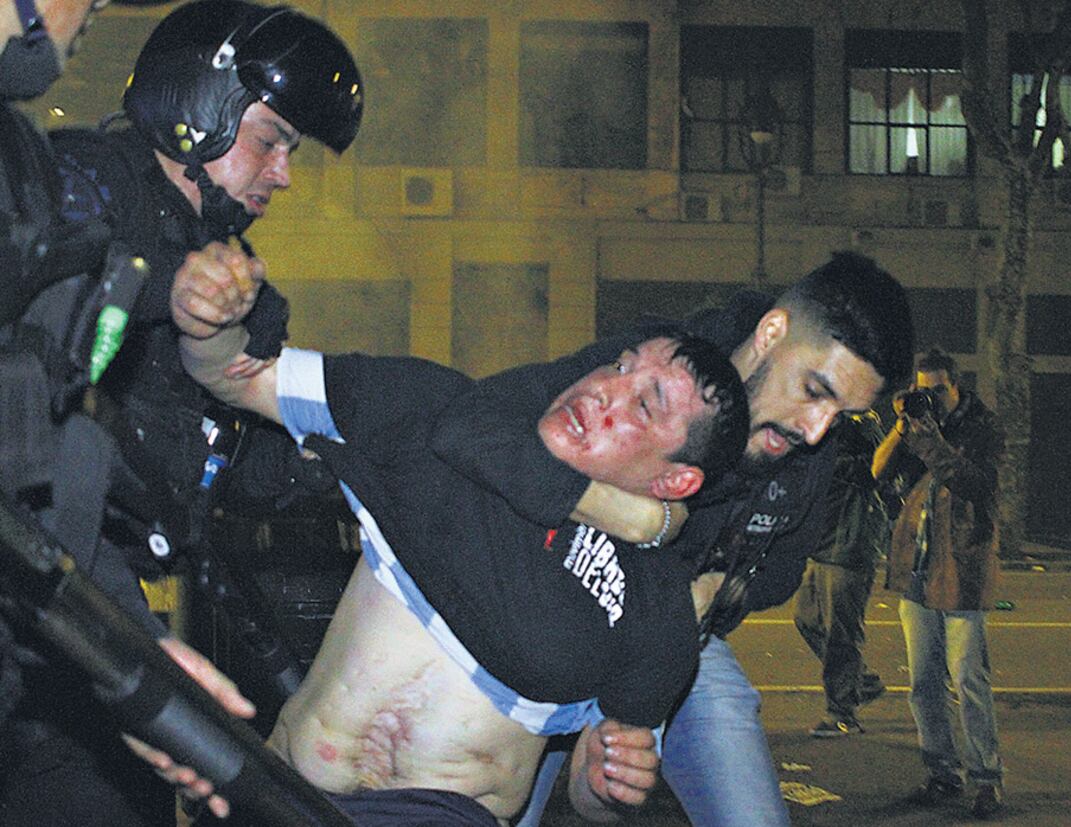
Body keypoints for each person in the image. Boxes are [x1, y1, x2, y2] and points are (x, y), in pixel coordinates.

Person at [170, 242, 751, 825]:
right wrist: (207, 322)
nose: (603, 388)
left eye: (644, 405)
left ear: (676, 479)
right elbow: (239, 376)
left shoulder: (657, 609)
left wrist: (606, 779)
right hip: (284, 795)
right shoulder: (436, 414)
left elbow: (590, 794)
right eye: (620, 366)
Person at [1, 1, 362, 823]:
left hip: (102, 614)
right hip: (43, 611)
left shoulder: (247, 286)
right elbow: (40, 354)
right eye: (269, 138)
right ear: (198, 107)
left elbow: (235, 465)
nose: (283, 173)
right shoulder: (75, 182)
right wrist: (168, 293)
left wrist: (352, 464)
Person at [427, 251, 915, 827]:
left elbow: (782, 571)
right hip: (555, 616)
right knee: (497, 813)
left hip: (680, 650)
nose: (816, 429)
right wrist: (634, 517)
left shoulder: (807, 452)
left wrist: (718, 591)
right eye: (814, 390)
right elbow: (470, 426)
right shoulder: (656, 364)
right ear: (772, 332)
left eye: (843, 412)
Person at [872, 346, 1004, 819]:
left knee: (968, 676)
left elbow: (973, 483)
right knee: (924, 681)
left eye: (936, 391)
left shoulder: (983, 427)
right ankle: (941, 772)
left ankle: (986, 779)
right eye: (921, 391)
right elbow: (879, 471)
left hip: (963, 568)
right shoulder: (919, 423)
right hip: (917, 568)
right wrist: (902, 425)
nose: (929, 398)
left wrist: (929, 439)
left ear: (955, 386)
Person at [793, 409, 890, 738]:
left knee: (841, 635)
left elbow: (877, 471)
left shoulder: (860, 426)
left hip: (848, 544)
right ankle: (859, 682)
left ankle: (842, 712)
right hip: (823, 542)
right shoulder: (816, 430)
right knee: (806, 619)